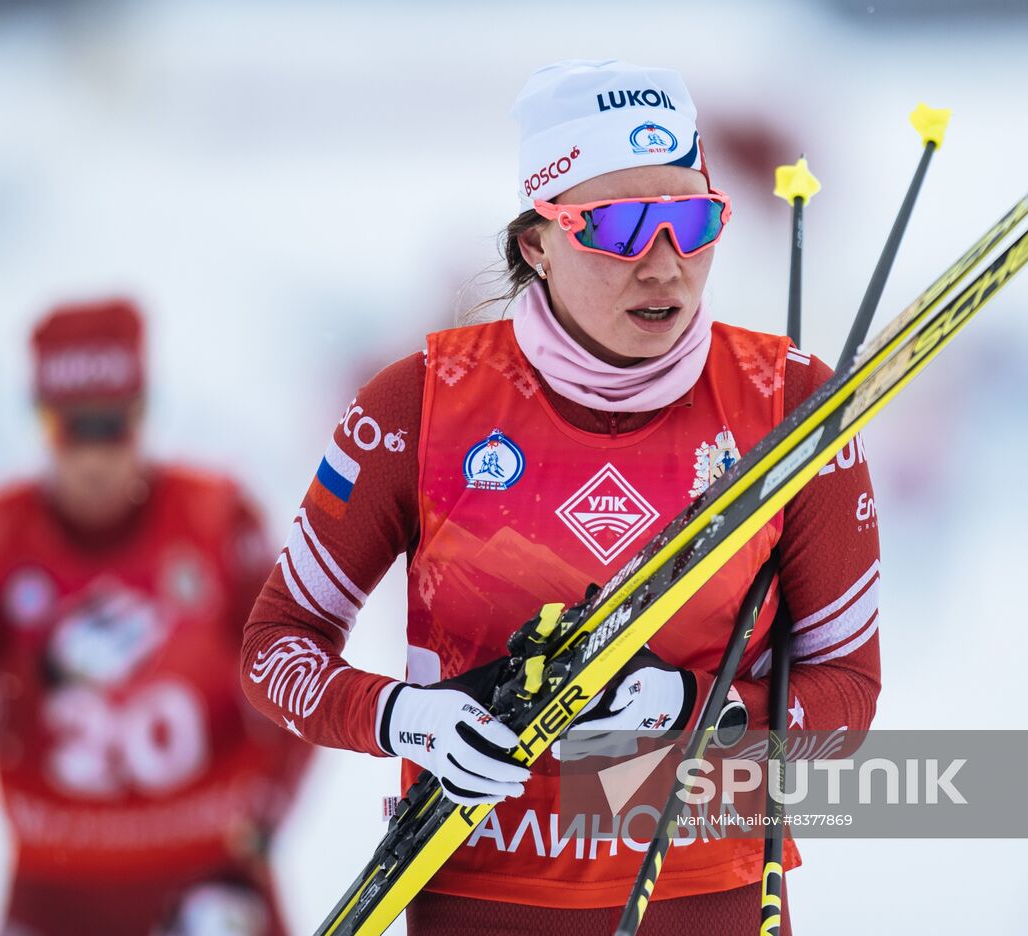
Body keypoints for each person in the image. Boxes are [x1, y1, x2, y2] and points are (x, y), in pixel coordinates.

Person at [241, 59, 880, 934]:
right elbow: (278, 647)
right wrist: (402, 718)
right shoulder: (418, 404)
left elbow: (846, 695)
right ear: (536, 241)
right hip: (480, 893)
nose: (665, 266)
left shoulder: (789, 402)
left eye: (692, 222)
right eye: (619, 229)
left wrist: (701, 711)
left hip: (706, 896)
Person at [0, 298, 311, 936]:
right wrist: (41, 672)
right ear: (41, 422)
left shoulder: (217, 517)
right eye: (69, 429)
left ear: (142, 414)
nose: (93, 459)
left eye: (112, 426)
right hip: (55, 896)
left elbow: (301, 687)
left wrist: (257, 834)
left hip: (207, 883)